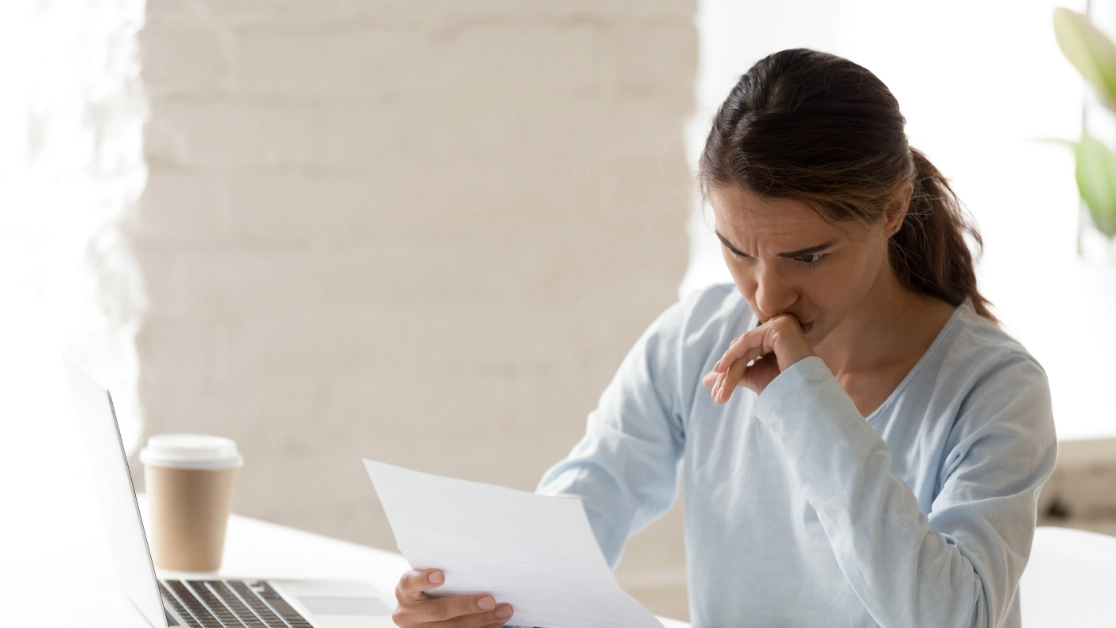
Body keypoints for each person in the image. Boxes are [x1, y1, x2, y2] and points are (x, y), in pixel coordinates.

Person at [390, 48, 1057, 628]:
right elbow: (583, 509)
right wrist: (482, 601)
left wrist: (804, 401)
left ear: (890, 209)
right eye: (737, 251)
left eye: (808, 256)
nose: (765, 299)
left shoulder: (994, 390)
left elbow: (948, 618)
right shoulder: (696, 338)